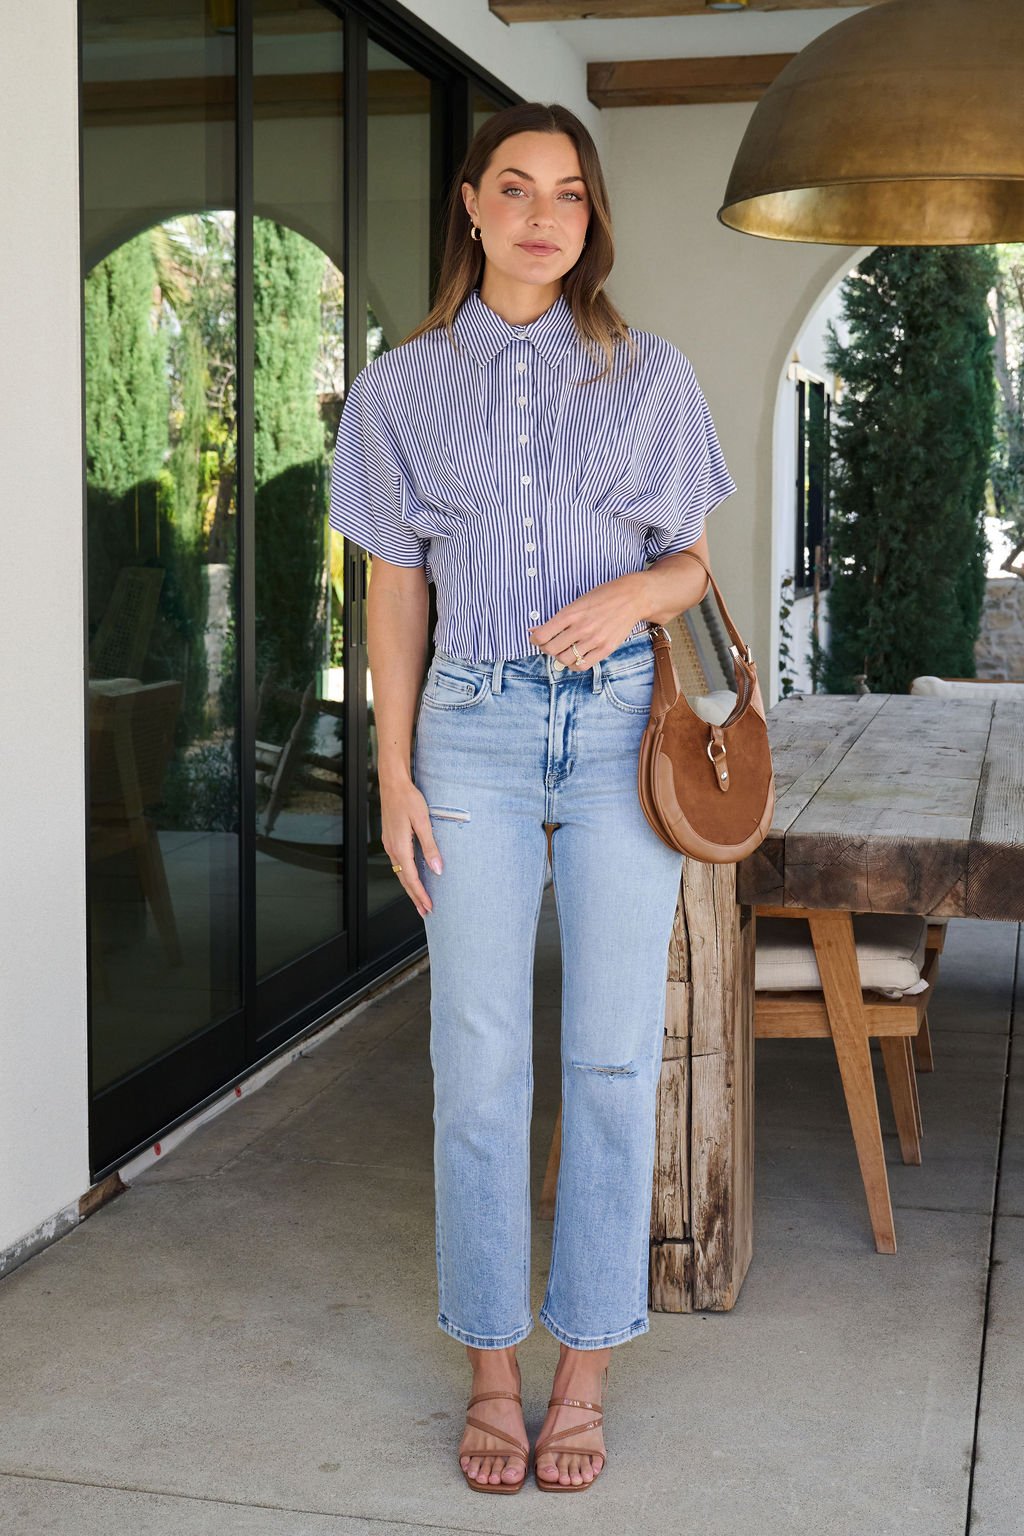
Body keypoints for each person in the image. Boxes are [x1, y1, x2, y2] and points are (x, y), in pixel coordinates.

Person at [328, 100, 736, 1495]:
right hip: (475, 735)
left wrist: (630, 590)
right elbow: (393, 587)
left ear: (590, 215)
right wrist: (392, 769)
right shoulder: (399, 392)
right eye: (516, 188)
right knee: (480, 1063)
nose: (543, 213)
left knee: (617, 1055)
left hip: (623, 727)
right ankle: (493, 1369)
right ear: (471, 204)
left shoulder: (652, 374)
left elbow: (689, 566)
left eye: (568, 191)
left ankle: (587, 1374)